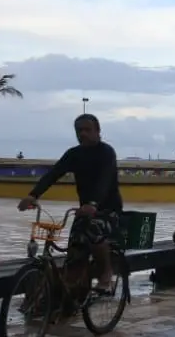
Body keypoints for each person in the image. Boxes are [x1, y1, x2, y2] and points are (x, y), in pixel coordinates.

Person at [17, 114, 123, 294]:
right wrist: (33, 195)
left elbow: (104, 180)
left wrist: (93, 203)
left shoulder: (106, 152)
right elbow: (54, 174)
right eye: (79, 130)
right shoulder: (74, 154)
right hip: (84, 210)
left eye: (87, 130)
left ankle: (106, 273)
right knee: (74, 252)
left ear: (98, 131)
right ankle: (70, 298)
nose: (83, 134)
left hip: (107, 209)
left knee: (94, 232)